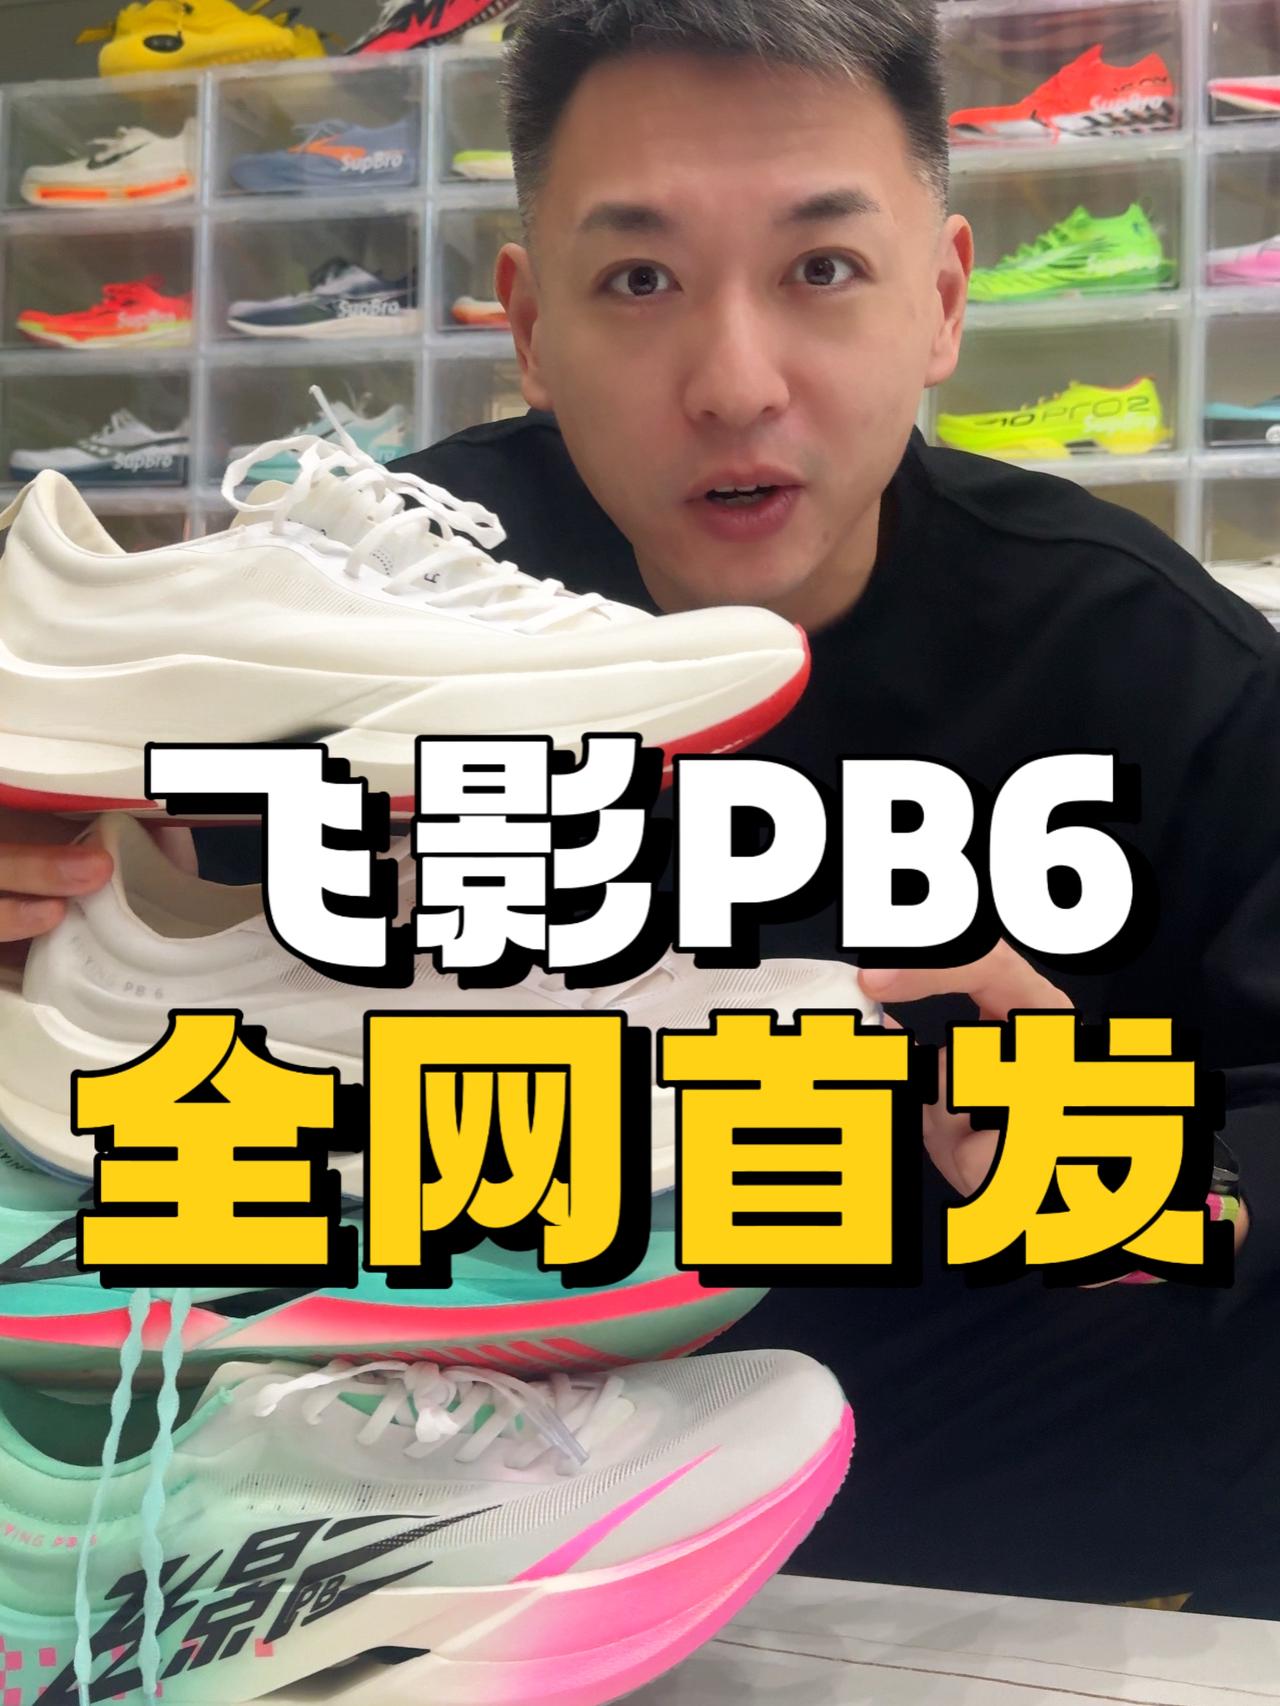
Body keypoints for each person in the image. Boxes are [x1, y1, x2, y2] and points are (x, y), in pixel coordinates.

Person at [2, 0, 1277, 1617]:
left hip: (942, 1426)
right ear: (531, 327)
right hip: (413, 1427)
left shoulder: (1154, 659)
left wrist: (1115, 1158)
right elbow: (113, 1048)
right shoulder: (331, 633)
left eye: (823, 267)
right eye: (640, 281)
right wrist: (40, 908)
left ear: (944, 300)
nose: (736, 385)